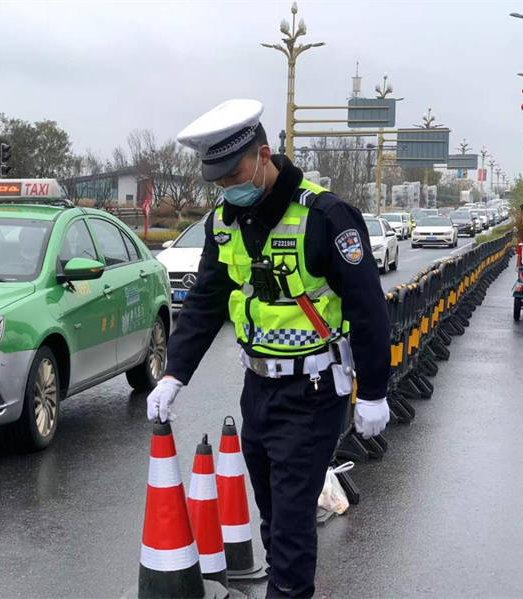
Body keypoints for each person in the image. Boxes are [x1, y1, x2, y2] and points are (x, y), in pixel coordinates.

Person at [146, 99, 390, 598]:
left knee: (292, 520)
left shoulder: (327, 216)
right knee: (274, 514)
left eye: (234, 174)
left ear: (264, 156)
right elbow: (206, 301)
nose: (226, 189)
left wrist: (374, 391)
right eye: (217, 182)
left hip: (314, 391)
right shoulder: (225, 222)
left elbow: (367, 306)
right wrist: (174, 374)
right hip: (257, 390)